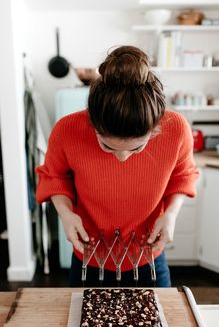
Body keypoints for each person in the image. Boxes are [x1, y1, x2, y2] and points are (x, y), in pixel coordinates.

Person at [36, 45, 199, 287]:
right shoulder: (67, 129)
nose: (122, 158)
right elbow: (55, 177)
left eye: (136, 148)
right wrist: (66, 214)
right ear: (93, 123)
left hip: (148, 258)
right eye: (108, 147)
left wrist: (171, 214)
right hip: (89, 258)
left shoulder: (176, 129)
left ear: (155, 129)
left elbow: (182, 175)